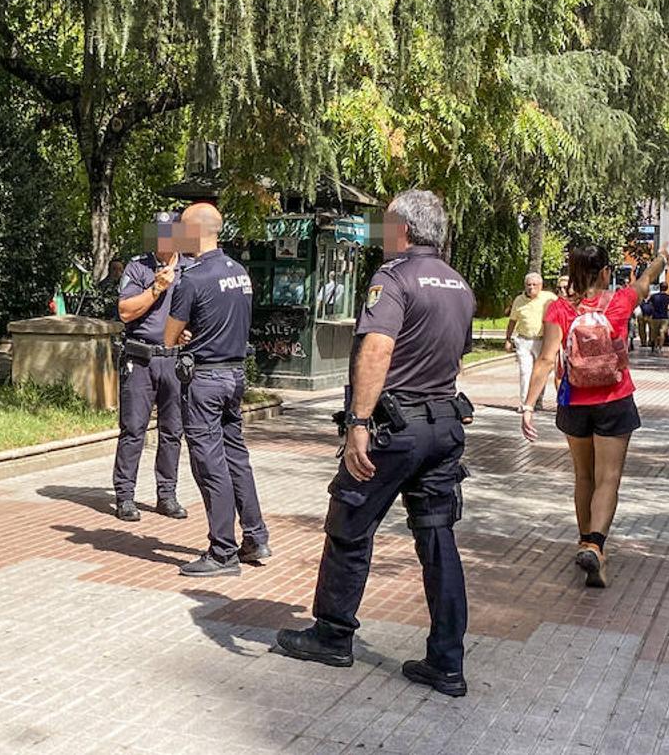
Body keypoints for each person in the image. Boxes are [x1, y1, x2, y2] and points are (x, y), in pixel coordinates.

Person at [275, 189, 476, 697]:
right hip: (443, 426)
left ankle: (332, 634)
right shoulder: (458, 284)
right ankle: (447, 661)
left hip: (394, 428)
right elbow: (456, 354)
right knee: (438, 538)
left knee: (350, 522)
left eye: (386, 226)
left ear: (403, 230)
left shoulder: (394, 278)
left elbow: (377, 349)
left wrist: (358, 423)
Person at [521, 245, 669, 588]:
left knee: (583, 475)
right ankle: (596, 546)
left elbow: (546, 359)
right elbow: (646, 279)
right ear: (605, 272)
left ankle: (584, 539)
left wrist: (529, 406)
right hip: (614, 399)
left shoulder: (559, 308)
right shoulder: (620, 301)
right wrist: (662, 259)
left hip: (574, 401)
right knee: (608, 477)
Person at [164, 202, 270, 577]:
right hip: (235, 376)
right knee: (236, 457)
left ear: (195, 231)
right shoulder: (239, 272)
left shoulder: (192, 279)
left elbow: (169, 336)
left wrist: (185, 334)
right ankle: (255, 537)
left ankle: (222, 551)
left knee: (210, 465)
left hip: (205, 381)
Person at [111, 213, 191, 522]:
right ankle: (125, 496)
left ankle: (166, 495)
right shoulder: (138, 267)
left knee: (172, 431)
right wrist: (156, 288)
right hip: (141, 359)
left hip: (174, 359)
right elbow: (125, 312)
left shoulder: (189, 268)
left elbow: (199, 313)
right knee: (133, 430)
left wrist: (190, 332)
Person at [503, 273, 557, 412]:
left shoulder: (549, 298)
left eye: (534, 285)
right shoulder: (519, 300)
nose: (531, 287)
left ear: (541, 286)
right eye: (528, 285)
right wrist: (508, 339)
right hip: (524, 340)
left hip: (542, 340)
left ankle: (537, 401)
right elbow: (512, 320)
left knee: (540, 372)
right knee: (525, 372)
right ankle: (525, 403)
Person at [647, 282, 669, 354]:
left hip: (655, 317)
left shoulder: (654, 296)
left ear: (659, 287)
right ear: (667, 288)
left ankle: (654, 347)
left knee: (655, 333)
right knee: (662, 332)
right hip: (664, 317)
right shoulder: (668, 297)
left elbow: (649, 304)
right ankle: (660, 348)